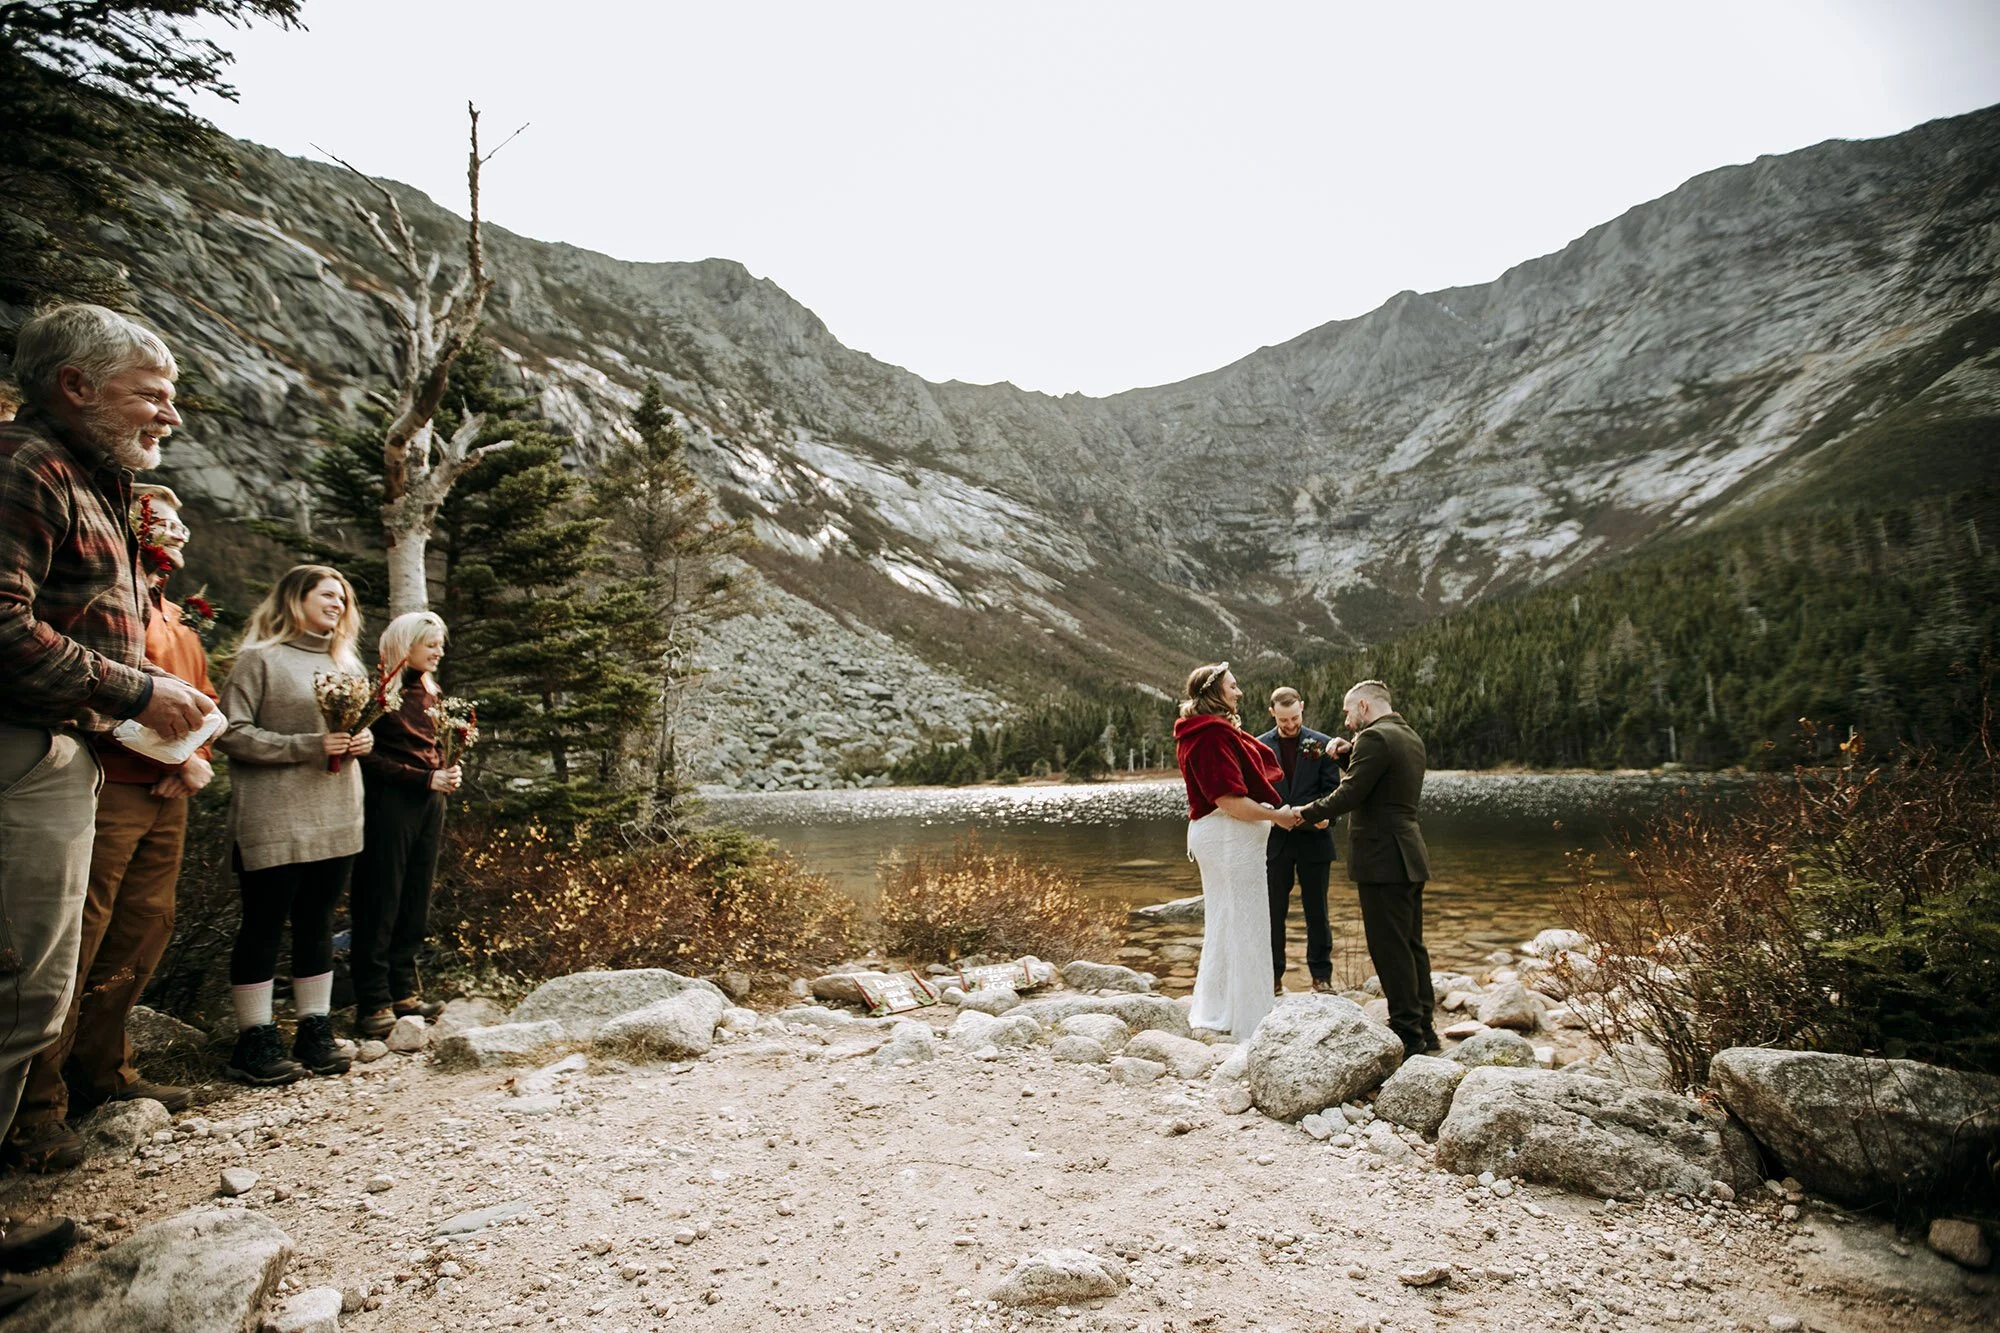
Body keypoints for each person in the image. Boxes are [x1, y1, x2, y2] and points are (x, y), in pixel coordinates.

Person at [0, 305, 214, 1291]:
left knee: (37, 985)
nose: (169, 413)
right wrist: (138, 692)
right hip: (24, 751)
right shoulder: (28, 469)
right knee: (22, 977)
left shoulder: (98, 483)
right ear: (77, 385)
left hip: (67, 750)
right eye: (153, 391)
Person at [6, 485, 215, 1173]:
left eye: (180, 521)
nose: (176, 530)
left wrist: (194, 758)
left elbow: (200, 701)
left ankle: (106, 1069)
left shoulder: (178, 619)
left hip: (169, 787)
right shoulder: (110, 605)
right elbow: (92, 678)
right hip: (109, 780)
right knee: (77, 939)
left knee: (145, 926)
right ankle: (37, 1107)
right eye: (164, 519)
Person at [215, 565, 372, 1084]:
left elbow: (353, 730)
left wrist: (362, 742)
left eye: (343, 598)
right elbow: (231, 733)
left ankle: (315, 1028)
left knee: (318, 923)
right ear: (294, 598)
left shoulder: (346, 663)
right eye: (328, 594)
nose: (338, 605)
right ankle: (254, 1039)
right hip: (274, 813)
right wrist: (308, 746)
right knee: (263, 923)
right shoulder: (258, 659)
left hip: (337, 811)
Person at [1295, 680, 1437, 1057]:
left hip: (1383, 858)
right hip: (1408, 852)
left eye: (1347, 712)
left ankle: (1408, 1035)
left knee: (1389, 948)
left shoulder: (1375, 739)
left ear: (1363, 706)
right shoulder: (1407, 736)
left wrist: (1303, 814)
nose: (1345, 721)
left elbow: (1352, 793)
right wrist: (1346, 757)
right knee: (1411, 944)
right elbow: (1380, 784)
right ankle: (1425, 1027)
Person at [1174, 662, 1302, 1041]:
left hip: (1219, 836)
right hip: (1228, 836)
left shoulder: (1202, 731)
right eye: (1233, 686)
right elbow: (1228, 800)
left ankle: (1222, 1009)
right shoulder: (1211, 734)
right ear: (1215, 692)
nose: (1239, 691)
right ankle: (1247, 1018)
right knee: (1246, 923)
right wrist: (1275, 817)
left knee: (1227, 922)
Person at [351, 611, 461, 1039]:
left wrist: (447, 771)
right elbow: (366, 755)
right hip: (390, 802)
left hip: (429, 802)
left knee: (416, 893)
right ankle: (373, 999)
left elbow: (432, 747)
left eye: (440, 644)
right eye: (430, 644)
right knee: (381, 895)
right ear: (405, 645)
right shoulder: (377, 693)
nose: (439, 651)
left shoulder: (431, 691)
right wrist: (422, 777)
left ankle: (403, 992)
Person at [1256, 686, 1342, 996]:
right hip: (1275, 841)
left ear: (1302, 708)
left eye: (1295, 718)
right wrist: (1273, 813)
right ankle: (1273, 977)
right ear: (1272, 713)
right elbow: (1255, 793)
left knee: (1317, 910)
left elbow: (1334, 792)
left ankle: (1321, 977)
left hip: (1315, 839)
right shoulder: (1259, 746)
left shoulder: (1321, 743)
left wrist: (1327, 818)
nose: (1290, 725)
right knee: (1272, 912)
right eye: (1283, 719)